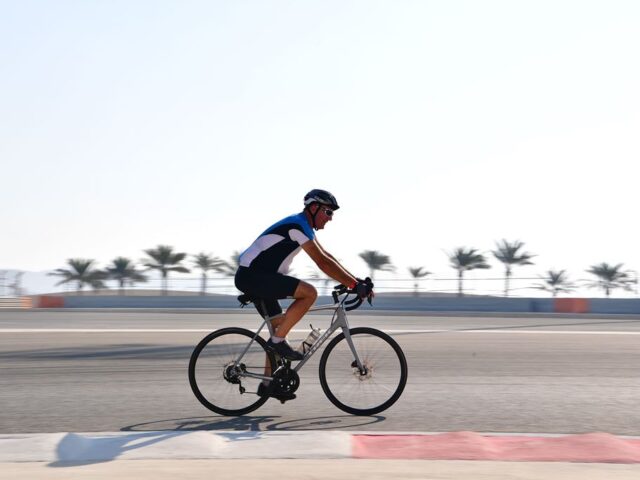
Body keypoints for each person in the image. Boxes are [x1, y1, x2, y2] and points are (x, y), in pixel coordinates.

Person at [235, 189, 373, 398]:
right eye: (328, 212)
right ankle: (277, 343)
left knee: (279, 328)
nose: (330, 218)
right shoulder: (298, 225)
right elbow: (322, 263)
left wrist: (356, 281)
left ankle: (267, 385)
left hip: (259, 276)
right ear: (314, 208)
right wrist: (354, 285)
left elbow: (327, 256)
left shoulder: (303, 226)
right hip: (253, 276)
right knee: (309, 293)